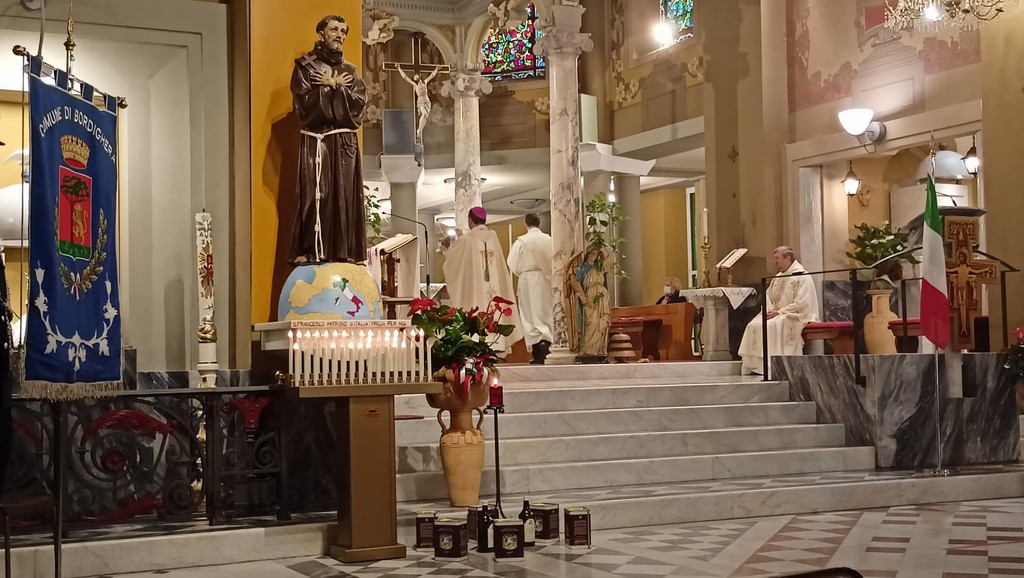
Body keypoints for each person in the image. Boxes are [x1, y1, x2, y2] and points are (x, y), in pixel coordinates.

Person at [289, 15, 368, 265]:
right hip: (318, 141)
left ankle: (344, 252)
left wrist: (334, 85)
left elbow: (358, 108)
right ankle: (313, 251)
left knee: (345, 198)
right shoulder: (305, 66)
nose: (340, 36)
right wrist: (328, 90)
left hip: (344, 144)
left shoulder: (350, 71)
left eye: (343, 32)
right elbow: (304, 107)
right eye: (334, 30)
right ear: (321, 33)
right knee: (318, 195)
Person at [443, 207, 523, 355]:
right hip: (494, 287)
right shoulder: (494, 236)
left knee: (476, 306)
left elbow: (454, 263)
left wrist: (447, 248)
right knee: (495, 307)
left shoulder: (467, 240)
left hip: (477, 289)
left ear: (470, 221)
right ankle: (497, 343)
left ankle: (478, 343)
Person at [738, 246, 819, 375]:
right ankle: (754, 365)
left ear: (788, 258)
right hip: (776, 314)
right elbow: (768, 297)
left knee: (770, 327)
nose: (774, 262)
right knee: (753, 325)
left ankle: (771, 367)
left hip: (794, 314)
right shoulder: (778, 277)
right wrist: (769, 310)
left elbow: (802, 303)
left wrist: (779, 312)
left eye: (777, 258)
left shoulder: (802, 276)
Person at [507, 214, 553, 364]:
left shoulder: (521, 241)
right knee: (545, 313)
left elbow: (512, 263)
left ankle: (537, 352)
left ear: (526, 224)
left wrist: (522, 272)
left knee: (529, 316)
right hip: (545, 279)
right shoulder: (549, 240)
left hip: (527, 279)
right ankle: (547, 346)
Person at [569, 249, 611, 357]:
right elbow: (576, 282)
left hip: (602, 297)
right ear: (587, 254)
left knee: (601, 322)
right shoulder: (582, 268)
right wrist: (583, 297)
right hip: (590, 297)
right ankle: (588, 349)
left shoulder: (599, 267)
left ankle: (599, 349)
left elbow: (610, 256)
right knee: (592, 322)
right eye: (592, 253)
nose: (594, 256)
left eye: (596, 254)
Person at [395, 64, 442, 143]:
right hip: (421, 101)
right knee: (424, 114)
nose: (416, 77)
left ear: (419, 76)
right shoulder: (415, 84)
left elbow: (432, 75)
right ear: (414, 79)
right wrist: (399, 68)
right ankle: (419, 130)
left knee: (425, 116)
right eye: (414, 77)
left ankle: (420, 130)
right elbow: (405, 77)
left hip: (427, 101)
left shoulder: (425, 82)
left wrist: (436, 69)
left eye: (417, 76)